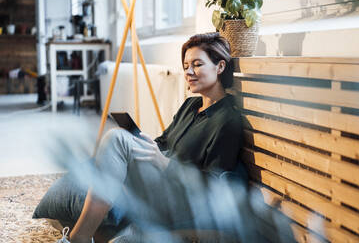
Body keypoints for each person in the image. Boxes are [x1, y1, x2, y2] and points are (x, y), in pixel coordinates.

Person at [60, 32, 244, 243]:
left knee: (116, 139)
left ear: (220, 67)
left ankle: (78, 239)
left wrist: (165, 163)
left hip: (183, 204)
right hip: (160, 187)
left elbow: (213, 187)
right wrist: (143, 142)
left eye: (197, 64)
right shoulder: (190, 106)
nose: (189, 72)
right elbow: (164, 142)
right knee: (119, 141)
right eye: (185, 66)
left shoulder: (228, 121)